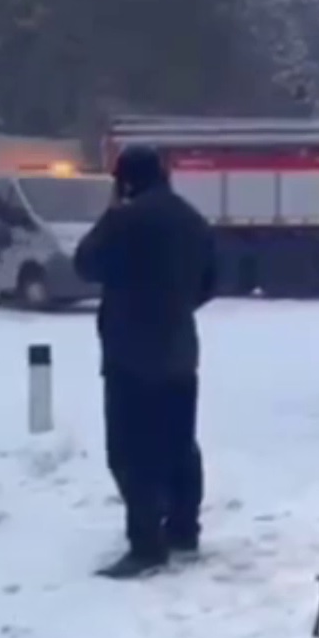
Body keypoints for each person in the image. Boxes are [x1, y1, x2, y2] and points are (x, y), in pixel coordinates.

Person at [73, 146, 217, 579]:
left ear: (124, 180)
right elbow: (211, 281)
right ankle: (183, 530)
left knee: (131, 451)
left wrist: (112, 212)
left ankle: (146, 545)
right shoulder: (191, 219)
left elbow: (85, 263)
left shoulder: (125, 220)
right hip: (178, 348)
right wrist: (176, 305)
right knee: (179, 444)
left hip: (130, 352)